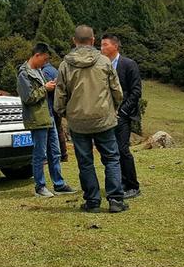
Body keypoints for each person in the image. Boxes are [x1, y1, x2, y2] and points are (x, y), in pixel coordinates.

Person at [54, 25, 129, 213]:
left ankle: (93, 201)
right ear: (93, 40)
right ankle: (115, 200)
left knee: (85, 162)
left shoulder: (65, 64)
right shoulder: (104, 62)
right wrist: (113, 108)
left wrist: (64, 113)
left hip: (78, 121)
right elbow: (117, 91)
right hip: (103, 118)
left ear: (74, 41)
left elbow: (60, 95)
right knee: (111, 158)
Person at [17, 43, 76, 197]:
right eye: (44, 59)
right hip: (37, 119)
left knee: (55, 152)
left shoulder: (39, 71)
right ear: (37, 55)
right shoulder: (24, 74)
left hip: (48, 116)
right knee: (40, 154)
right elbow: (28, 97)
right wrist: (46, 88)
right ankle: (40, 186)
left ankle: (59, 184)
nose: (45, 62)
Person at [101, 33, 142, 199]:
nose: (101, 48)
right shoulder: (102, 65)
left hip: (123, 115)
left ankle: (133, 185)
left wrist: (123, 111)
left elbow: (136, 91)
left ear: (115, 46)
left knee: (123, 149)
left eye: (105, 45)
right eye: (101, 45)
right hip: (107, 114)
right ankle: (121, 183)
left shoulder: (128, 64)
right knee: (113, 151)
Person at [41, 60, 69, 162]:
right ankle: (64, 154)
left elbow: (50, 88)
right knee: (59, 129)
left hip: (51, 105)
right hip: (58, 104)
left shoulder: (45, 72)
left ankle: (51, 156)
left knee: (51, 132)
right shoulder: (54, 70)